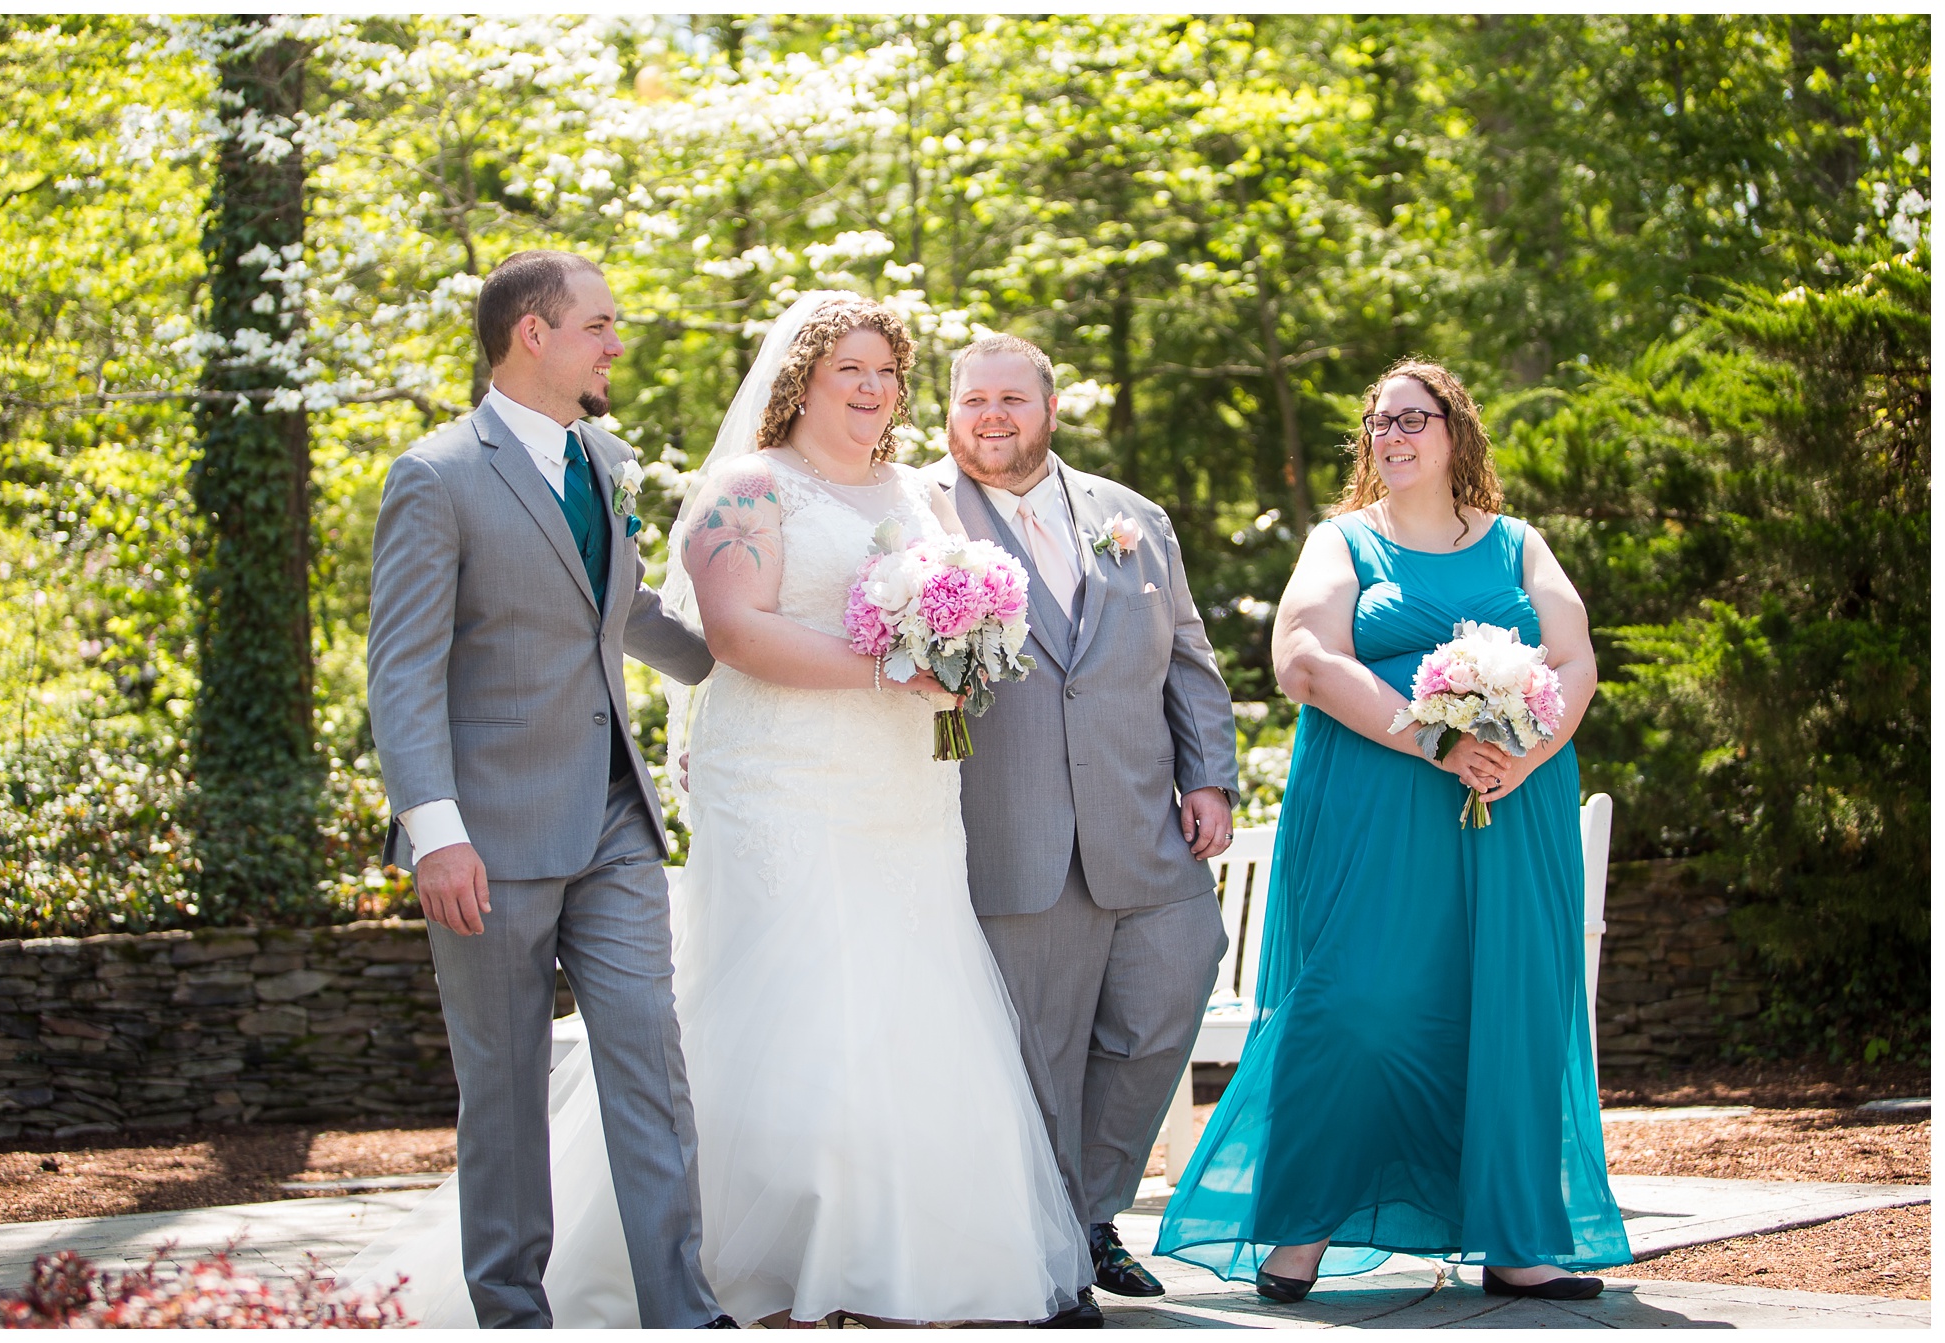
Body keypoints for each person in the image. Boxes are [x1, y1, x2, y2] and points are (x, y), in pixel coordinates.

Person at [349, 292, 1089, 1329]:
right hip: (752, 783)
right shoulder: (721, 485)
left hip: (888, 785)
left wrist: (952, 652)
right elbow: (727, 635)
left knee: (794, 1020)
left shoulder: (879, 491)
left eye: (887, 372)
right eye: (851, 371)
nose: (873, 390)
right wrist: (880, 665)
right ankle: (564, 1295)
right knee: (636, 1040)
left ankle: (771, 1282)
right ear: (801, 379)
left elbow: (638, 613)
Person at [1152, 359, 1632, 1300]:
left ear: (1458, 432)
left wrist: (1519, 759)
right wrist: (1436, 739)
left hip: (1512, 807)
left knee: (1511, 1007)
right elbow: (1301, 658)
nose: (1394, 435)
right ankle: (1300, 1229)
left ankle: (1517, 1236)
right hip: (1374, 807)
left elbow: (1574, 661)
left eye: (1415, 418)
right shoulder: (1343, 543)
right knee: (1353, 1002)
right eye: (1380, 422)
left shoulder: (1520, 546)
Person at [361, 249, 731, 1329]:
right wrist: (436, 834)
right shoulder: (435, 476)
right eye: (599, 325)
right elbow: (403, 671)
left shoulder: (604, 455)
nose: (618, 342)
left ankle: (684, 1310)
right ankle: (512, 1313)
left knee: (650, 1065)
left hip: (615, 820)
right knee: (507, 1096)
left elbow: (620, 604)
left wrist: (742, 644)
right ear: (534, 332)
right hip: (488, 837)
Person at [927, 335, 1242, 1327]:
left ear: (1047, 408)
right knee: (1040, 1052)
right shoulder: (916, 513)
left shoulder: (1130, 517)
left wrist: (1211, 777)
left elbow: (1187, 658)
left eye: (1009, 398)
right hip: (1006, 827)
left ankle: (1089, 1209)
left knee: (1167, 998)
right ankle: (1053, 1250)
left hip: (1144, 823)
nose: (989, 414)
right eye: (971, 398)